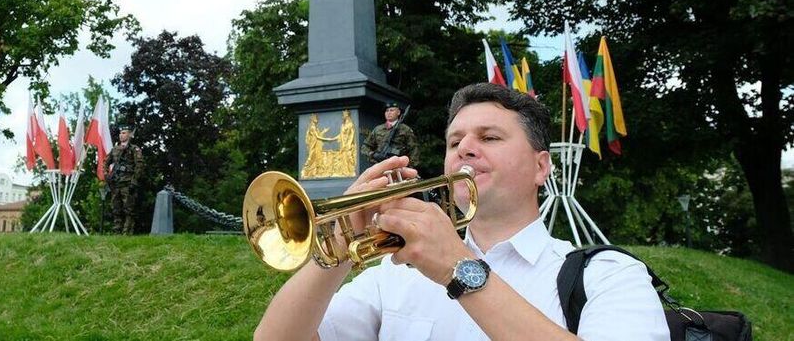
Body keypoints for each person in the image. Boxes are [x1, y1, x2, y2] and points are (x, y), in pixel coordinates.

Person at [255, 82, 669, 341]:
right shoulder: (393, 275)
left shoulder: (608, 274)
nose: (466, 149)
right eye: (455, 143)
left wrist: (459, 267)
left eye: (489, 137)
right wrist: (336, 256)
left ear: (541, 166)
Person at [106, 126, 144, 235]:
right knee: (116, 209)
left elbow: (139, 165)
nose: (121, 135)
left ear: (129, 135)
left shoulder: (134, 149)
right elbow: (105, 163)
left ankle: (127, 233)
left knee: (129, 209)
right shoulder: (115, 149)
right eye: (120, 133)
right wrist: (106, 175)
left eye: (124, 133)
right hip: (116, 183)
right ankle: (117, 232)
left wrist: (134, 181)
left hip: (128, 183)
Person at [361, 101, 418, 167]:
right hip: (380, 165)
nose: (389, 113)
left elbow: (414, 149)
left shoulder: (405, 129)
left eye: (392, 110)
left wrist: (410, 166)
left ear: (398, 112)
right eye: (387, 111)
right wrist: (373, 154)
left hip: (399, 166)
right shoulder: (378, 129)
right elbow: (365, 147)